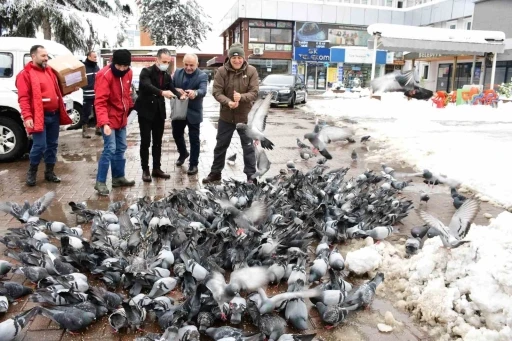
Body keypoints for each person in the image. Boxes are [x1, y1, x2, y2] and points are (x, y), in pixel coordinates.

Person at [16, 44, 76, 187]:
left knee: (53, 145)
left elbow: (57, 92)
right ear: (33, 56)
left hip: (54, 115)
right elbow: (23, 98)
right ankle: (32, 172)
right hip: (38, 116)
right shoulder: (25, 75)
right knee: (39, 145)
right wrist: (28, 117)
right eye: (43, 56)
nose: (46, 58)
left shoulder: (50, 71)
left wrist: (70, 89)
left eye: (47, 56)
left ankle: (49, 172)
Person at [202, 43, 259, 184]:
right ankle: (215, 173)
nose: (237, 60)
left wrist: (242, 97)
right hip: (226, 117)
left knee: (248, 147)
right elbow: (216, 92)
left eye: (239, 57)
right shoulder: (221, 71)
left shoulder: (252, 71)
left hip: (245, 118)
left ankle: (251, 175)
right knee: (221, 146)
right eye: (234, 58)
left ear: (243, 58)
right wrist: (228, 102)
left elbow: (254, 92)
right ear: (229, 58)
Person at [136, 48, 182, 182]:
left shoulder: (166, 75)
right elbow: (147, 86)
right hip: (145, 112)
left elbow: (171, 87)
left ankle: (156, 168)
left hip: (159, 113)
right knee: (145, 141)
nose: (166, 64)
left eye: (168, 62)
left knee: (157, 142)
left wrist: (180, 95)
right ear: (157, 59)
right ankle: (145, 169)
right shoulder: (146, 72)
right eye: (164, 61)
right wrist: (162, 93)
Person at [94, 49, 135, 195]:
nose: (122, 70)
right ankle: (100, 182)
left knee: (121, 147)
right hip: (109, 119)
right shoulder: (104, 75)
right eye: (119, 66)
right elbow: (100, 102)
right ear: (113, 62)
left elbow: (126, 94)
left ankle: (118, 177)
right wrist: (104, 123)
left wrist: (131, 106)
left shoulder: (128, 73)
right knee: (110, 148)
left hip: (121, 118)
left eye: (125, 66)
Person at [171, 53, 208, 175]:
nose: (188, 67)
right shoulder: (177, 73)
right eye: (186, 64)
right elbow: (170, 86)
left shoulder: (202, 75)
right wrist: (175, 90)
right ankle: (183, 153)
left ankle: (193, 164)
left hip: (194, 112)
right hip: (179, 110)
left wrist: (195, 93)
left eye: (191, 65)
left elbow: (203, 90)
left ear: (197, 64)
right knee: (176, 134)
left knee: (194, 139)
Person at [67, 51, 100, 138]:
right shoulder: (83, 67)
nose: (96, 58)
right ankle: (84, 131)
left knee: (98, 112)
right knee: (86, 113)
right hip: (87, 95)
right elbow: (78, 80)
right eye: (94, 57)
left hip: (97, 95)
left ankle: (98, 129)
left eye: (96, 57)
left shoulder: (97, 67)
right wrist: (80, 86)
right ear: (89, 57)